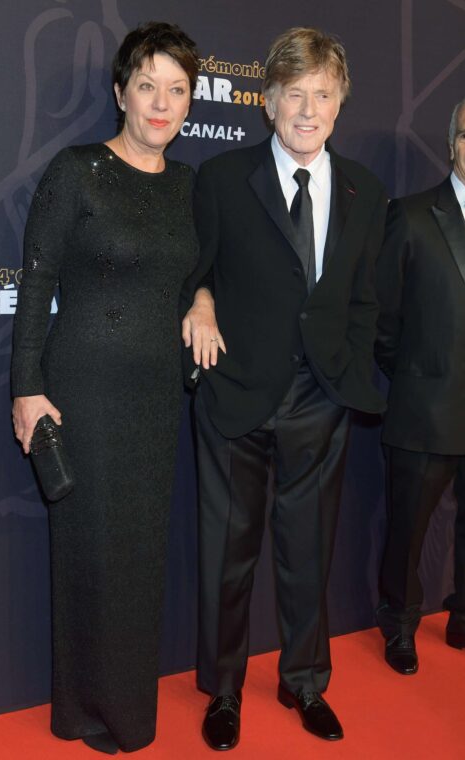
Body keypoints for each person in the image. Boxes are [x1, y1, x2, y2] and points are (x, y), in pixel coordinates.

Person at [180, 26, 387, 749]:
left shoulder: (366, 190)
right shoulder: (220, 178)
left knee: (308, 552)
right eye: (293, 95)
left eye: (322, 95)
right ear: (266, 103)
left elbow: (364, 301)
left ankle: (305, 683)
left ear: (339, 104)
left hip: (320, 399)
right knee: (225, 556)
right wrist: (199, 303)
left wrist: (348, 376)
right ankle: (224, 693)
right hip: (234, 392)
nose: (307, 110)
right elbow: (191, 271)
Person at [11, 22, 199, 755]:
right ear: (120, 91)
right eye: (146, 85)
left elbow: (202, 270)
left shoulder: (188, 186)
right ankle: (82, 711)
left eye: (176, 89)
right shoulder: (78, 169)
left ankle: (126, 711)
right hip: (80, 390)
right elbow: (36, 285)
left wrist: (206, 299)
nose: (160, 102)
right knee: (87, 551)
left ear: (189, 101)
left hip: (155, 400)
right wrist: (27, 388)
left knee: (137, 557)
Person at [374, 96, 465, 675]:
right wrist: (416, 376)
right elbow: (383, 323)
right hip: (425, 406)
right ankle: (400, 624)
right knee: (407, 531)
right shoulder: (410, 215)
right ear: (452, 141)